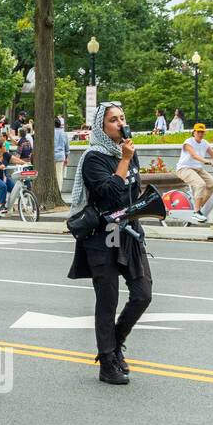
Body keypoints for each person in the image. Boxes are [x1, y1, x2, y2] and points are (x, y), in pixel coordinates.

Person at [67, 102, 152, 386]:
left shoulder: (128, 152)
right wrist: (125, 161)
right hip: (103, 235)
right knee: (108, 299)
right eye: (113, 120)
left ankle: (116, 343)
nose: (120, 123)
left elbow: (131, 191)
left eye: (122, 118)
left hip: (128, 232)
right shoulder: (94, 157)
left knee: (143, 294)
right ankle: (107, 362)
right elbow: (107, 193)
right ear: (101, 127)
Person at [175, 123, 213, 217]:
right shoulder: (188, 142)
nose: (200, 134)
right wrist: (206, 161)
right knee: (200, 184)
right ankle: (196, 212)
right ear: (194, 132)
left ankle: (200, 205)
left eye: (202, 132)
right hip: (184, 168)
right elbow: (194, 155)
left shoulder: (204, 143)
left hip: (198, 169)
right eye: (198, 132)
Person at [54, 117, 71, 191]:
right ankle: (58, 191)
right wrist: (66, 157)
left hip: (52, 156)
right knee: (59, 175)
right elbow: (67, 147)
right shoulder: (64, 133)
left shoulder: (50, 133)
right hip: (61, 156)